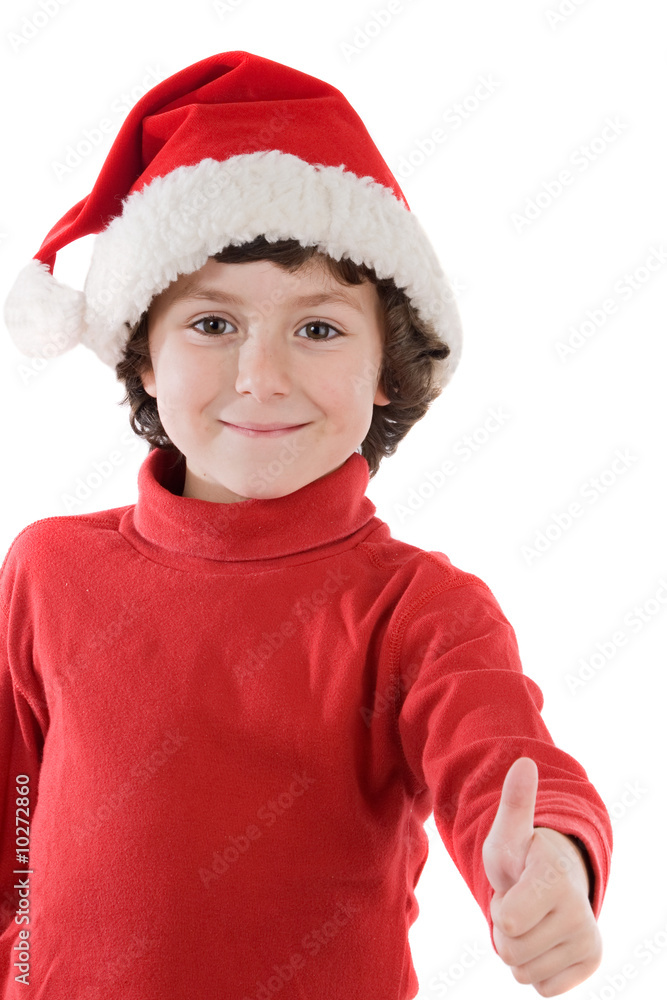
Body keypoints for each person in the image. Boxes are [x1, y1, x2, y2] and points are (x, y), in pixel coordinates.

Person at [1, 50, 612, 999]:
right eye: (211, 324)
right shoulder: (47, 566)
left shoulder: (420, 609)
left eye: (318, 328)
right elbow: (17, 823)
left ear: (383, 368)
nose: (261, 376)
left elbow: (505, 762)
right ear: (143, 357)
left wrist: (551, 862)